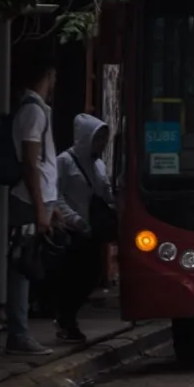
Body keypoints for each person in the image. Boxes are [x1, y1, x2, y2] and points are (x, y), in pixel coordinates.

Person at [6, 51, 80, 355]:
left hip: (39, 200)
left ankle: (22, 327)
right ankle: (19, 334)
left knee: (32, 263)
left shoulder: (36, 109)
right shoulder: (34, 112)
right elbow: (31, 163)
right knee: (24, 265)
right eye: (53, 77)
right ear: (47, 75)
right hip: (28, 200)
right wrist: (41, 208)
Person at [50, 114, 115, 343]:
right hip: (72, 230)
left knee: (90, 275)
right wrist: (74, 219)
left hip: (93, 230)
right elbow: (55, 195)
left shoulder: (98, 164)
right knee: (73, 277)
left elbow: (105, 193)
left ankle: (68, 319)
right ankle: (66, 321)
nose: (102, 144)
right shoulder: (64, 161)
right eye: (99, 139)